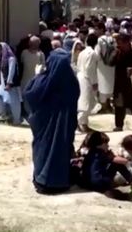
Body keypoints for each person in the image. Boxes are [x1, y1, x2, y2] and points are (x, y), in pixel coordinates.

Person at [24, 49, 80, 194]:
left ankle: (42, 180)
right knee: (60, 151)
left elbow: (29, 95)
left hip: (44, 126)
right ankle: (59, 182)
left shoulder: (43, 80)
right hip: (64, 127)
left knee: (43, 151)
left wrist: (36, 76)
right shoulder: (71, 82)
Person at [80, 131, 132, 196]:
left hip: (87, 184)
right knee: (117, 164)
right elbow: (119, 161)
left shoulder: (90, 153)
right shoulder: (101, 153)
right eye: (106, 144)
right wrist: (129, 162)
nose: (108, 146)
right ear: (99, 145)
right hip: (99, 185)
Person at [0, 42, 22, 125]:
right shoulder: (2, 59)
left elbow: (11, 71)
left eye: (0, 49)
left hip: (10, 84)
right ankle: (5, 115)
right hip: (3, 85)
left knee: (14, 102)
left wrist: (9, 83)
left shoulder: (11, 58)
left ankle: (16, 120)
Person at [77, 33, 100, 133]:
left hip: (81, 76)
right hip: (86, 78)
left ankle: (84, 124)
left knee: (87, 101)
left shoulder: (83, 52)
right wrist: (94, 82)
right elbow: (89, 69)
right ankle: (80, 124)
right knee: (85, 102)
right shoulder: (91, 53)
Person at [94, 24, 116, 112]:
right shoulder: (112, 39)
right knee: (110, 84)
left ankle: (104, 107)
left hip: (102, 66)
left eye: (97, 29)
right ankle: (109, 104)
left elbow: (97, 55)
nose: (95, 31)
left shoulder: (100, 40)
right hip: (111, 65)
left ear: (101, 29)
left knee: (102, 85)